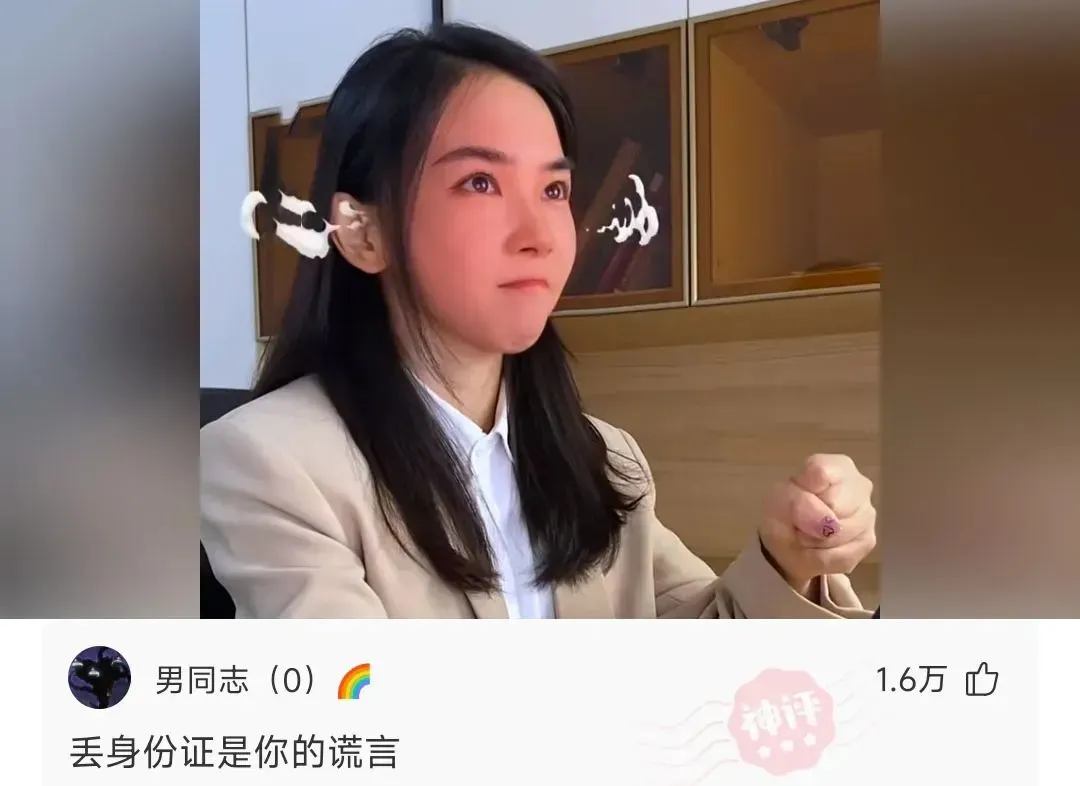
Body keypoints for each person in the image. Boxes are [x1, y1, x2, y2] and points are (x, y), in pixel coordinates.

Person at [200, 23, 877, 619]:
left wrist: (788, 561)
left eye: (554, 189)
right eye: (480, 182)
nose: (540, 235)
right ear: (361, 231)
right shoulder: (269, 463)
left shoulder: (603, 457)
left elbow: (702, 655)